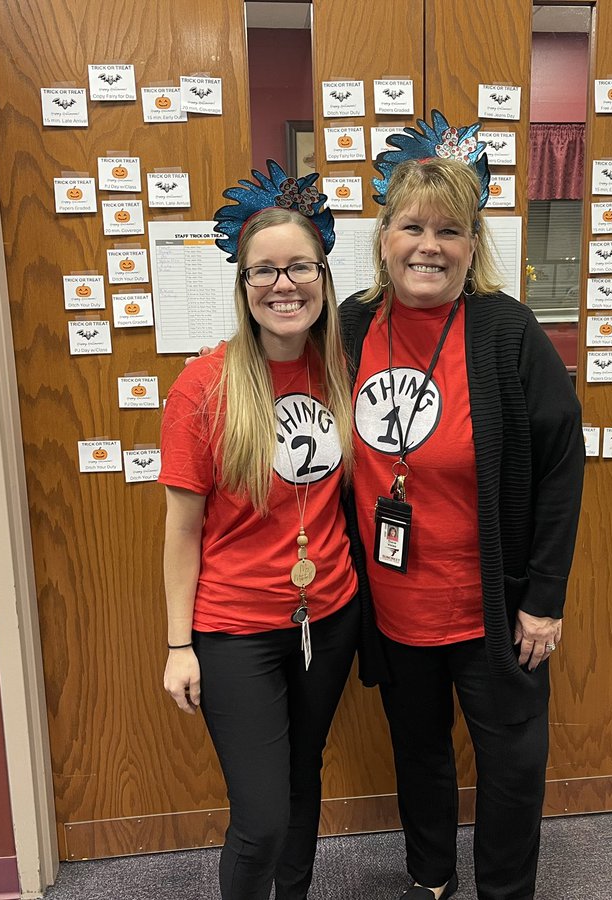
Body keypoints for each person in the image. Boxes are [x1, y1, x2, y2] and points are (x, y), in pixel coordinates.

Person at [340, 113, 585, 900]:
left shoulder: (507, 331)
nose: (429, 245)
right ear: (384, 238)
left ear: (472, 246)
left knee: (513, 768)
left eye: (450, 229)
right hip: (392, 606)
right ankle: (431, 880)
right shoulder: (346, 329)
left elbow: (560, 469)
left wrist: (543, 601)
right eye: (412, 225)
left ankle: (504, 893)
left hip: (494, 610)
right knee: (418, 755)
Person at [159, 162, 360, 900]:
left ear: (323, 275)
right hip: (236, 630)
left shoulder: (339, 366)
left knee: (304, 784)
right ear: (243, 286)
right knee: (263, 816)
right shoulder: (203, 387)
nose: (284, 285)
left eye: (299, 267)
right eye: (263, 271)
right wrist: (180, 645)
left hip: (329, 617)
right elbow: (182, 532)